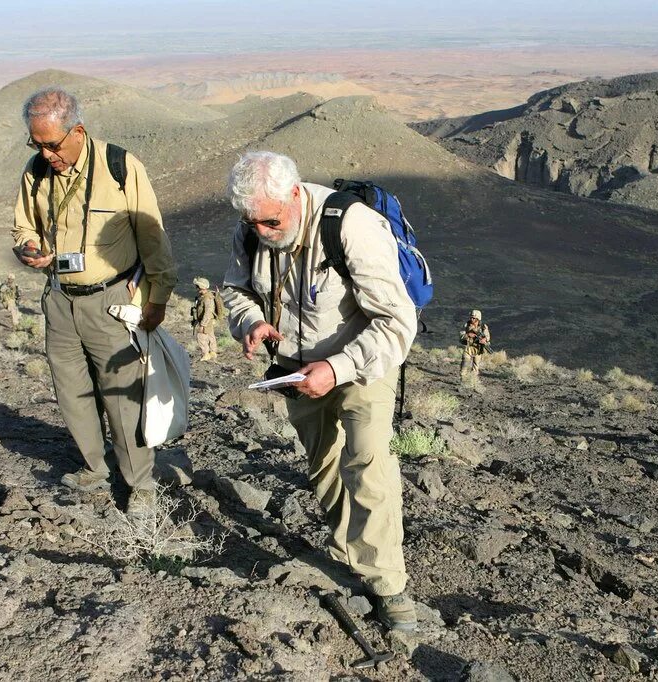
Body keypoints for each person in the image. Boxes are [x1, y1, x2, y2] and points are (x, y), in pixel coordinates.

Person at [222, 151, 419, 631]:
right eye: (254, 222)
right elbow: (234, 289)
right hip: (295, 371)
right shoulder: (251, 228)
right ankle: (351, 557)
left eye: (271, 220)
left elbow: (397, 322)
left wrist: (337, 367)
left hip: (362, 366)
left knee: (368, 466)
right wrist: (250, 321)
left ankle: (388, 587)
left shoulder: (349, 225)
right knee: (326, 469)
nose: (264, 232)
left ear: (294, 194)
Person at [11, 87, 177, 516]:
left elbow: (153, 237)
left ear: (77, 131)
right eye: (37, 144)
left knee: (123, 398)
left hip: (112, 301)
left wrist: (158, 299)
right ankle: (93, 466)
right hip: (60, 300)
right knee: (72, 392)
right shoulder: (36, 172)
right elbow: (23, 228)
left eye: (51, 144)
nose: (46, 154)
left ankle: (140, 485)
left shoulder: (120, 167)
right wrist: (29, 249)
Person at [191, 277, 219, 361]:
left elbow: (208, 313)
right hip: (208, 321)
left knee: (201, 336)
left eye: (197, 286)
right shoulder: (205, 296)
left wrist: (202, 325)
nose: (196, 288)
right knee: (210, 335)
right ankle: (213, 352)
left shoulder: (207, 298)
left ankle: (206, 354)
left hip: (206, 321)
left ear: (201, 287)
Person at [459, 309, 491, 381]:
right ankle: (462, 380)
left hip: (478, 349)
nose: (472, 319)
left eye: (474, 318)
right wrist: (468, 335)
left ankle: (473, 381)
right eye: (471, 317)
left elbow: (487, 337)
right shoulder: (466, 325)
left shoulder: (483, 327)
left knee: (475, 367)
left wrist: (484, 340)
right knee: (465, 363)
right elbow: (461, 336)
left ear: (478, 319)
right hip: (468, 347)